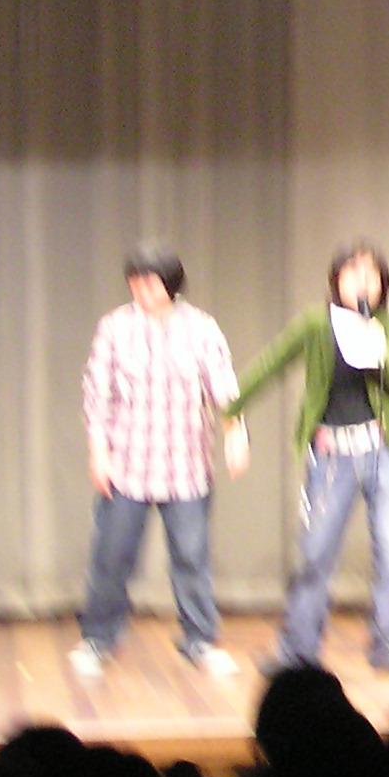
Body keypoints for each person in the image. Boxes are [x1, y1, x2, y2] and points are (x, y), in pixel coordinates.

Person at [224, 241, 389, 677]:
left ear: (383, 284)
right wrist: (231, 410)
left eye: (371, 275)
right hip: (334, 457)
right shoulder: (317, 323)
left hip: (385, 452)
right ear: (336, 280)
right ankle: (297, 649)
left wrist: (382, 353)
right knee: (315, 555)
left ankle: (388, 643)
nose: (362, 282)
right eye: (352, 273)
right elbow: (272, 363)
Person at [72, 245, 248, 680]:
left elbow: (224, 387)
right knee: (112, 557)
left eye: (149, 282)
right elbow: (97, 394)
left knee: (191, 557)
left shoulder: (201, 328)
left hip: (185, 465)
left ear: (170, 284)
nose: (141, 290)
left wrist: (235, 434)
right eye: (134, 282)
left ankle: (200, 640)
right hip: (127, 464)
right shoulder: (114, 328)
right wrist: (98, 453)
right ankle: (98, 638)